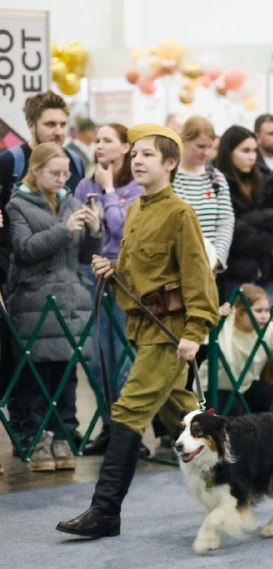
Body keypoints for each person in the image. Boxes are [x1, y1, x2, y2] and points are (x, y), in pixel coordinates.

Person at [57, 124, 219, 539]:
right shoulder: (137, 209)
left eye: (148, 154)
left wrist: (196, 330)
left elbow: (200, 278)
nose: (138, 161)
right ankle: (240, 483)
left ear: (170, 163)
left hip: (170, 334)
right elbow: (136, 270)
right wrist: (112, 270)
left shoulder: (180, 212)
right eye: (135, 155)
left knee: (128, 412)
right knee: (186, 417)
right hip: (143, 328)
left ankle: (105, 511)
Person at [5, 142, 102, 471]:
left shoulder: (72, 202)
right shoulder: (17, 205)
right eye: (55, 173)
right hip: (35, 301)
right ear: (36, 171)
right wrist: (64, 229)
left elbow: (85, 253)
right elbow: (24, 248)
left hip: (73, 300)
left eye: (66, 173)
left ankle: (64, 435)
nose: (63, 179)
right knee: (36, 375)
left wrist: (95, 229)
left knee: (67, 374)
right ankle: (36, 439)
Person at [74, 124, 143, 455]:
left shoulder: (136, 187)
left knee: (125, 360)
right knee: (97, 357)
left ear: (126, 147)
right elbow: (80, 239)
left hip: (126, 279)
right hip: (92, 276)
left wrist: (110, 188)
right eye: (97, 140)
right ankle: (107, 425)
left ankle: (130, 434)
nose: (99, 146)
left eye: (107, 141)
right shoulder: (84, 185)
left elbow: (124, 230)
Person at [0, 91, 86, 285]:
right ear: (31, 125)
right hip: (19, 276)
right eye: (50, 124)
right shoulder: (10, 161)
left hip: (67, 276)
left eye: (63, 124)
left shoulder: (75, 162)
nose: (58, 131)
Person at [199, 284, 273, 416]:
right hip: (214, 389)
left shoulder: (267, 329)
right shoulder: (225, 327)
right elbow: (226, 359)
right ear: (240, 313)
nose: (265, 316)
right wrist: (226, 320)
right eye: (259, 311)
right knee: (236, 414)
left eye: (267, 310)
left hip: (245, 386)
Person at [215, 125, 273, 304]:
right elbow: (231, 229)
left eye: (254, 151)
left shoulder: (263, 177)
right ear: (229, 152)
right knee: (238, 328)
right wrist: (265, 236)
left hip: (267, 269)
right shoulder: (218, 182)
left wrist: (247, 219)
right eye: (245, 151)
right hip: (236, 271)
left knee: (271, 326)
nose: (252, 157)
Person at [173, 116, 235, 274]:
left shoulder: (216, 178)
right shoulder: (168, 177)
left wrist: (217, 260)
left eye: (210, 147)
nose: (206, 153)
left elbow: (225, 221)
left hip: (209, 268)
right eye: (200, 146)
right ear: (184, 141)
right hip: (176, 267)